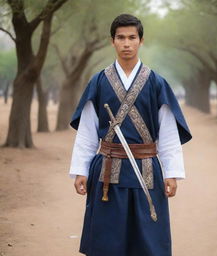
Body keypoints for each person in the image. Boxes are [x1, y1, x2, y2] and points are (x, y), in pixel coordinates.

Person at [69, 13, 192, 256]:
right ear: (112, 41)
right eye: (121, 37)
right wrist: (80, 170)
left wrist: (173, 173)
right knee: (107, 241)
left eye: (132, 38)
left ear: (141, 41)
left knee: (148, 241)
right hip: (106, 172)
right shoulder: (99, 82)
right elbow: (87, 131)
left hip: (147, 171)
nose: (127, 43)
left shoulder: (156, 83)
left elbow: (167, 132)